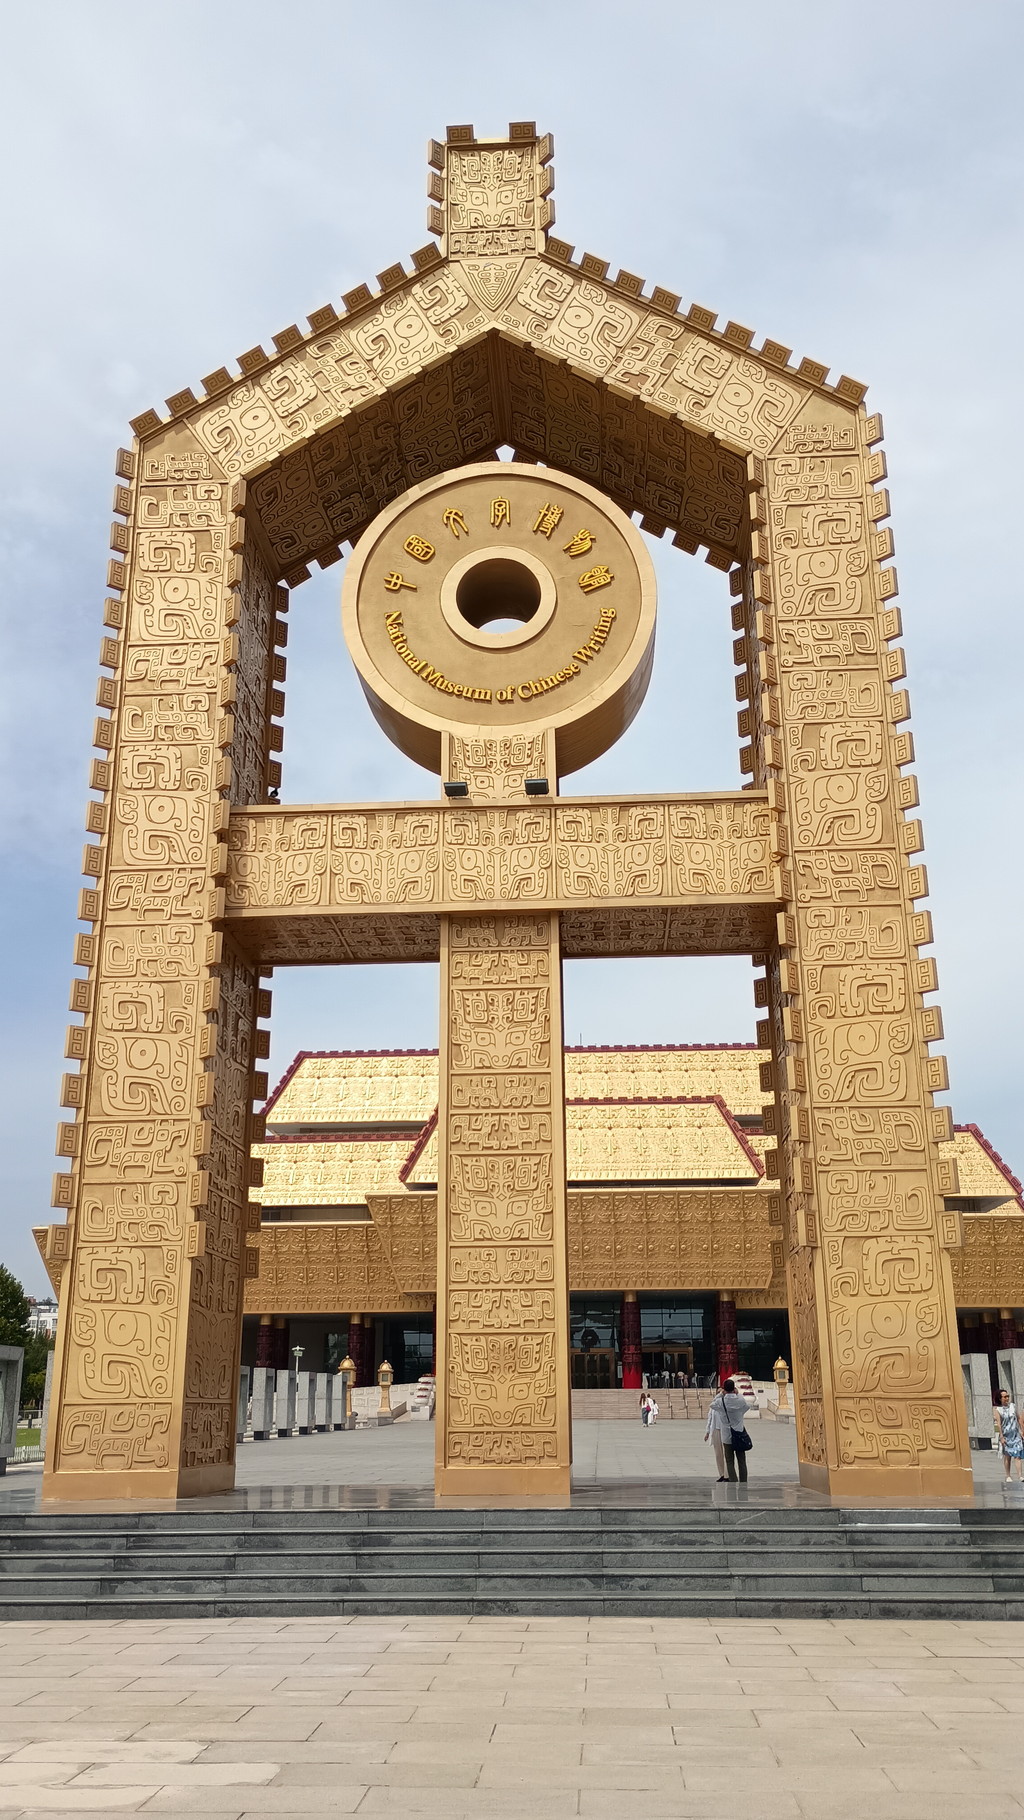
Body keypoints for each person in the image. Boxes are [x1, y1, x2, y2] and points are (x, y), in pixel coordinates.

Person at [704, 1377, 752, 1482]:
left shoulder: (721, 1401)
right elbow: (747, 1406)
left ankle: (733, 1480)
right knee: (741, 1460)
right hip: (739, 1432)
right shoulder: (740, 1400)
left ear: (724, 1389)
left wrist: (721, 1394)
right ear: (734, 1388)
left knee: (729, 1460)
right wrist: (738, 1394)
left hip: (726, 1435)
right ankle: (743, 1481)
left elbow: (712, 1404)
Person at [994, 1388, 1024, 1483]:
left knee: (1017, 1455)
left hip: (1015, 1435)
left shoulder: (1013, 1406)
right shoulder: (998, 1410)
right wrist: (1001, 1437)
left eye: (1008, 1396)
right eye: (1005, 1397)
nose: (1007, 1398)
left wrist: (1022, 1431)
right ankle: (1008, 1475)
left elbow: (1019, 1419)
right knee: (1007, 1456)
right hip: (1006, 1435)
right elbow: (999, 1424)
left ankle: (1020, 1476)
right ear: (1000, 1398)